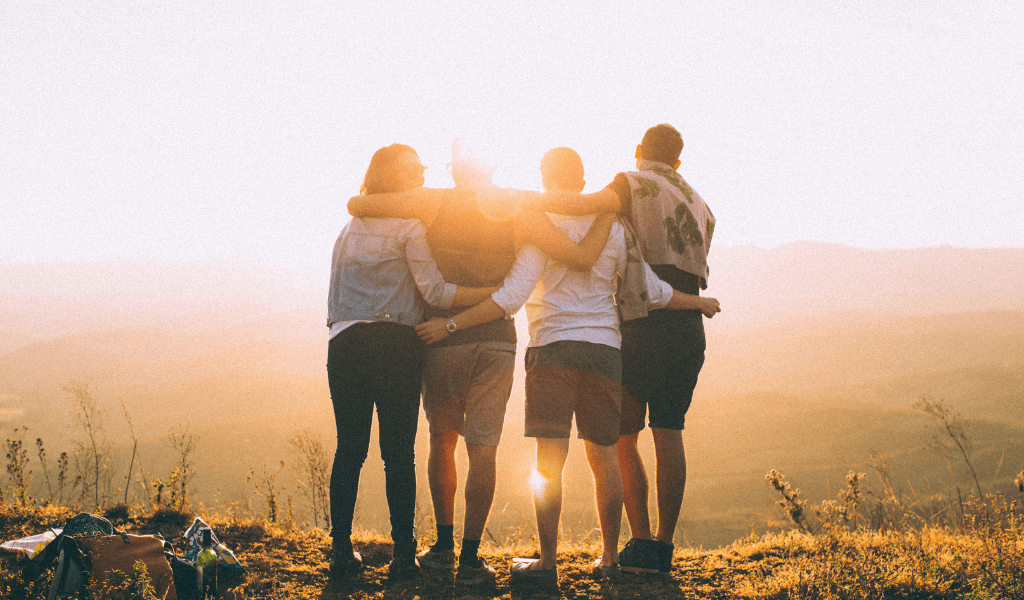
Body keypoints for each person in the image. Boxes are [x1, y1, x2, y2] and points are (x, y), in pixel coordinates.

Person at [416, 147, 719, 587]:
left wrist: (452, 323)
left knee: (549, 463)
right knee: (604, 459)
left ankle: (548, 562)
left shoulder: (540, 226)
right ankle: (611, 559)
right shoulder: (614, 227)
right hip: (604, 352)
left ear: (544, 178)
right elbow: (651, 290)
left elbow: (511, 297)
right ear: (582, 182)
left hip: (551, 349)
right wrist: (699, 302)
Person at [346, 139, 614, 587]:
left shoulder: (431, 203)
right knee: (483, 448)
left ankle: (444, 545)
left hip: (442, 336)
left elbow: (361, 203)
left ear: (454, 171)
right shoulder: (516, 206)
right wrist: (608, 208)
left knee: (442, 438)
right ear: (492, 165)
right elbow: (573, 242)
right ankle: (471, 557)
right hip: (496, 340)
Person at [520, 125, 716, 574]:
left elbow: (585, 206)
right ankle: (662, 548)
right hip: (686, 324)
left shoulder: (631, 183)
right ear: (679, 162)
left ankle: (639, 542)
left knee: (620, 439)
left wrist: (519, 200)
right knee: (670, 433)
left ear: (639, 151)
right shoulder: (701, 203)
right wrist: (699, 303)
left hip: (642, 321)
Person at [326, 144, 498, 584]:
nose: (422, 174)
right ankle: (403, 556)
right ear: (394, 177)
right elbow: (436, 294)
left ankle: (341, 552)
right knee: (397, 454)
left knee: (349, 450)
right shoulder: (410, 227)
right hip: (396, 345)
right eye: (414, 169)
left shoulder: (348, 229)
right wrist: (490, 294)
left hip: (344, 343)